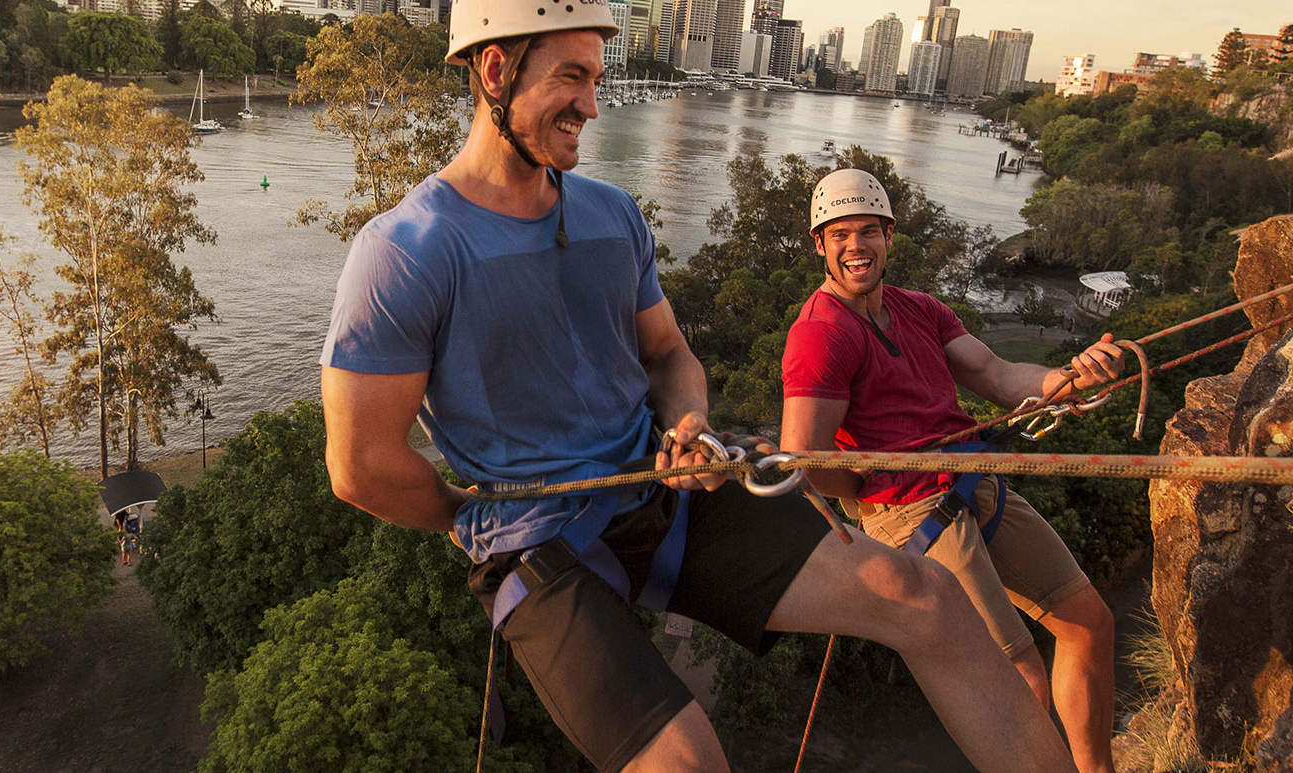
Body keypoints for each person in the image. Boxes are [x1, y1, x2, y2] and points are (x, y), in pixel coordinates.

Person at [318, 4, 1074, 771]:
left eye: (597, 79)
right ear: (494, 71)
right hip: (536, 543)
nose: (592, 105)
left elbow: (670, 354)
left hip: (663, 491)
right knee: (687, 763)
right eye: (572, 77)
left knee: (928, 597)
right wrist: (467, 515)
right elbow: (360, 466)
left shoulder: (612, 215)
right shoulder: (406, 252)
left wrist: (688, 424)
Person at [780, 168, 1125, 773]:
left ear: (890, 235)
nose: (856, 246)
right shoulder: (820, 335)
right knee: (1016, 674)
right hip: (909, 511)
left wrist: (1069, 379)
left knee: (1088, 623)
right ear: (820, 245)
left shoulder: (921, 310)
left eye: (868, 231)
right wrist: (870, 492)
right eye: (839, 235)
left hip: (970, 479)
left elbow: (997, 376)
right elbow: (804, 460)